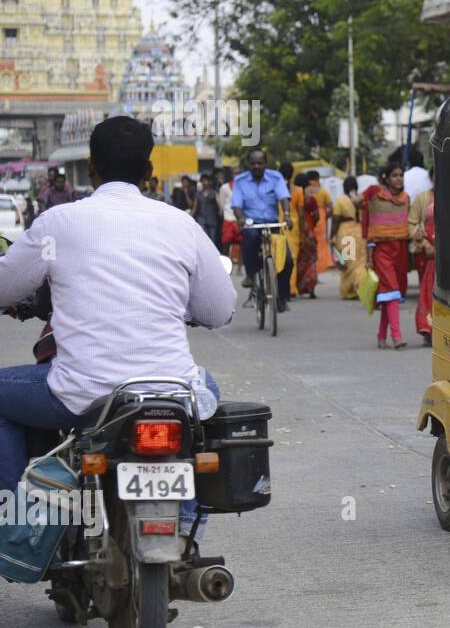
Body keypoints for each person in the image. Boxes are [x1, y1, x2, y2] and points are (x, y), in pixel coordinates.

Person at [0, 116, 236, 497]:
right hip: (172, 391)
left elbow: (4, 288)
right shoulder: (181, 224)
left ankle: (9, 524)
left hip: (82, 395)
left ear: (91, 166)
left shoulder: (58, 223)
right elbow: (220, 310)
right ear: (149, 171)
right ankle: (189, 530)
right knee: (205, 391)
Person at [231, 149, 293, 312]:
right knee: (249, 238)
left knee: (286, 261)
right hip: (252, 223)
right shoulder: (240, 181)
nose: (257, 166)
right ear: (249, 164)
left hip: (272, 223)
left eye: (260, 163)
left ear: (266, 163)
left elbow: (283, 197)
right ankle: (251, 275)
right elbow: (236, 204)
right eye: (253, 163)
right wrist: (241, 219)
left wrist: (287, 215)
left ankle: (282, 297)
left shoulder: (276, 177)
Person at [362, 163, 410, 348]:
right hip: (382, 252)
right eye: (394, 175)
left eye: (401, 175)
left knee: (389, 294)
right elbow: (372, 228)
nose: (399, 179)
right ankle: (396, 336)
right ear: (386, 178)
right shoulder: (376, 198)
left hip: (401, 250)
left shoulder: (406, 199)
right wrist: (369, 258)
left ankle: (381, 336)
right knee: (392, 291)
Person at [408, 182, 434, 346]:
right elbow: (412, 223)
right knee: (428, 290)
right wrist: (426, 245)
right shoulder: (422, 198)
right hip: (428, 253)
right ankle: (428, 328)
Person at [332, 176, 365, 300]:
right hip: (360, 232)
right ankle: (360, 288)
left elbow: (335, 220)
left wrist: (331, 236)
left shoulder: (341, 200)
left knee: (348, 263)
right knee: (360, 263)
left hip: (346, 234)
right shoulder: (361, 199)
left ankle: (348, 291)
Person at [293, 173, 320, 298]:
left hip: (296, 232)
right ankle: (311, 288)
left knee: (299, 260)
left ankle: (297, 286)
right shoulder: (311, 200)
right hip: (309, 232)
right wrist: (311, 225)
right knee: (311, 260)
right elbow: (317, 216)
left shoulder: (292, 197)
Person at [281, 162, 303, 297]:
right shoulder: (298, 191)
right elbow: (300, 213)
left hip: (278, 223)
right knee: (292, 257)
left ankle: (281, 287)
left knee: (280, 256)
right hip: (293, 225)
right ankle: (291, 289)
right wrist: (304, 229)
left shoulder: (275, 189)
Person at [306, 171, 334, 274]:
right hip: (321, 216)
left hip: (308, 216)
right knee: (321, 241)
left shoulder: (305, 190)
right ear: (317, 179)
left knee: (311, 241)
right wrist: (327, 216)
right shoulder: (323, 191)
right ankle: (322, 265)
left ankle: (312, 266)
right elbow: (331, 207)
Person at [191, 171, 223, 250]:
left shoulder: (214, 193)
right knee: (202, 240)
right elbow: (195, 207)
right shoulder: (198, 194)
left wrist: (221, 212)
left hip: (212, 219)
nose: (205, 182)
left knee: (212, 240)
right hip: (201, 219)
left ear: (209, 182)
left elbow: (219, 205)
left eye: (206, 180)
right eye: (203, 181)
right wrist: (189, 217)